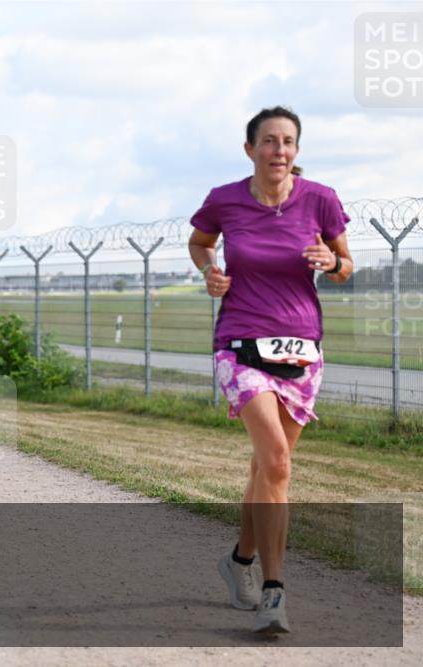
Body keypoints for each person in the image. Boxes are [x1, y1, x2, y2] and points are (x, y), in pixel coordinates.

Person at [188, 106, 353, 635]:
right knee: (277, 460)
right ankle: (275, 593)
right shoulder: (225, 200)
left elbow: (347, 265)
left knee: (267, 470)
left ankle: (238, 562)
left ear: (297, 151)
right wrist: (210, 270)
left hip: (302, 349)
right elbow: (199, 242)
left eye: (287, 142)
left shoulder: (321, 200)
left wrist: (332, 263)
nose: (278, 151)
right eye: (268, 141)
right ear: (250, 149)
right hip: (239, 344)